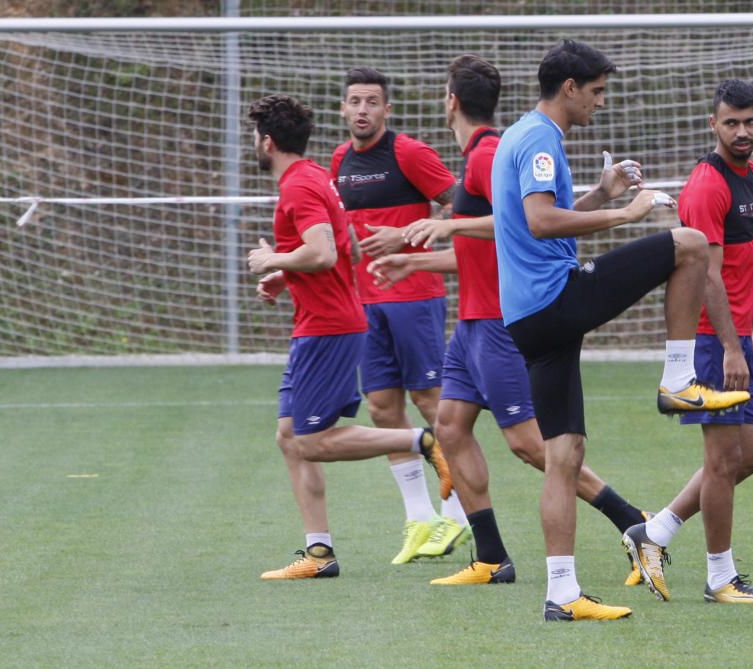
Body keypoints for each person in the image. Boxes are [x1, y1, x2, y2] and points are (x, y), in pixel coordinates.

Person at [368, 54, 651, 588]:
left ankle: (632, 520)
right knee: (450, 426)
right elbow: (502, 238)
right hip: (472, 320)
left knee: (527, 443)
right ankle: (492, 557)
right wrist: (416, 259)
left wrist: (446, 228)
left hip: (501, 318)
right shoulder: (491, 150)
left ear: (450, 100)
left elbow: (522, 224)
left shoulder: (489, 152)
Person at [491, 40, 751, 621]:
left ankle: (562, 594)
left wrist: (601, 193)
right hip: (553, 299)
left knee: (564, 454)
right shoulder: (538, 139)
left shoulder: (522, 135)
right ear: (569, 89)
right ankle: (679, 379)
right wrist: (625, 212)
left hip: (528, 319)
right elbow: (539, 223)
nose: (600, 103)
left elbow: (543, 220)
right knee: (688, 245)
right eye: (597, 92)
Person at [244, 93, 451, 580]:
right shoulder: (316, 175)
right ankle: (319, 553)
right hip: (320, 321)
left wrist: (273, 260)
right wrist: (287, 276)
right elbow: (345, 246)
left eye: (255, 136)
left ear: (268, 141)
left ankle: (421, 440)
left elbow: (322, 254)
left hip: (329, 328)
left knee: (311, 441)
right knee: (288, 436)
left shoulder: (299, 187)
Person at [622, 79, 753, 604]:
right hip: (712, 341)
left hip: (736, 336)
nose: (741, 131)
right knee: (721, 460)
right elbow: (709, 277)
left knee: (748, 457)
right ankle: (720, 578)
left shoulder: (751, 174)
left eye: (749, 121)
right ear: (713, 124)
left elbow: (744, 261)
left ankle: (656, 531)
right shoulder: (707, 186)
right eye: (730, 122)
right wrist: (733, 346)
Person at [330, 67, 469, 565]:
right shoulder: (339, 161)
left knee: (433, 403)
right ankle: (421, 517)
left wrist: (413, 233)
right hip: (363, 304)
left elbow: (460, 205)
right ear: (343, 110)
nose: (362, 109)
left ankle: (462, 518)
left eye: (372, 101)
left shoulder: (409, 152)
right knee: (383, 407)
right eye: (354, 101)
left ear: (387, 110)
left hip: (414, 296)